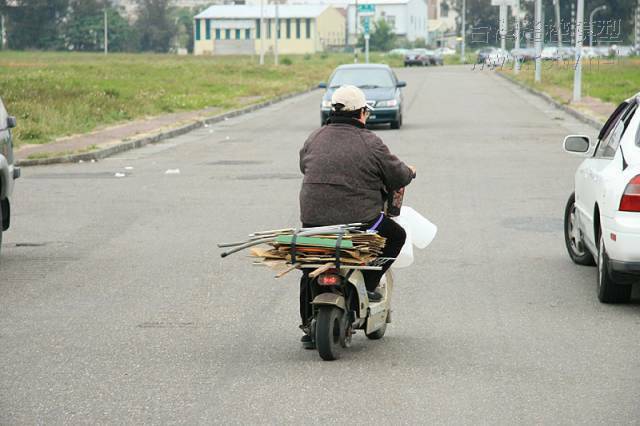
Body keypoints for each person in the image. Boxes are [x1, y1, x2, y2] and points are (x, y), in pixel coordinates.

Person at [298, 85, 416, 347]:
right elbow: (398, 175)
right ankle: (371, 283)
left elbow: (303, 165)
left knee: (309, 266)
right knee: (396, 235)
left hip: (314, 222)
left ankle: (308, 327)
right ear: (362, 113)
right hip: (360, 223)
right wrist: (410, 172)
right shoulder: (371, 142)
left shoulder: (315, 137)